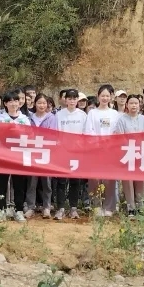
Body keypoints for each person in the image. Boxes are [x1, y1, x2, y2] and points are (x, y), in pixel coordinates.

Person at [0, 90, 32, 221]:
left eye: (16, 100)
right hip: (3, 155)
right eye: (10, 101)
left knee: (19, 184)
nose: (13, 103)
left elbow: (29, 135)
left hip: (19, 156)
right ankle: (0, 210)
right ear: (5, 104)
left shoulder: (24, 119)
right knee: (1, 183)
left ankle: (18, 210)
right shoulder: (0, 118)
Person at [85, 85, 121, 217]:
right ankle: (96, 205)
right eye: (102, 96)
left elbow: (117, 131)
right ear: (98, 96)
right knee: (95, 178)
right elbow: (88, 131)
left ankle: (109, 206)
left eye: (107, 96)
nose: (105, 98)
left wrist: (109, 143)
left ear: (111, 97)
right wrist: (98, 142)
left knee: (109, 179)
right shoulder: (92, 113)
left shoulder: (115, 114)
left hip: (110, 151)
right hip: (95, 150)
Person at [113, 94, 144, 217]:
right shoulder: (122, 119)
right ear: (127, 105)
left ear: (139, 105)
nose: (134, 105)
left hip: (141, 153)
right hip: (127, 153)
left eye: (136, 103)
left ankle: (140, 205)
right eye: (131, 103)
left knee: (140, 180)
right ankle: (130, 207)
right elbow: (120, 137)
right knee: (127, 181)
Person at [54, 89, 87, 219]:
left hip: (77, 152)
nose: (72, 101)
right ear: (65, 100)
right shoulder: (59, 115)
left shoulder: (82, 115)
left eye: (74, 98)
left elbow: (85, 134)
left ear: (77, 100)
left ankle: (73, 208)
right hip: (63, 151)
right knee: (61, 181)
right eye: (70, 98)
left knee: (75, 180)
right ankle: (60, 208)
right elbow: (56, 133)